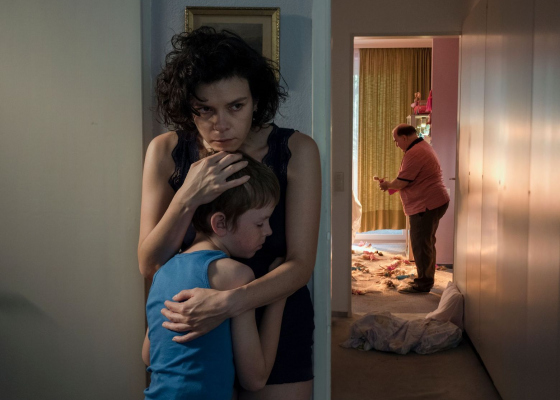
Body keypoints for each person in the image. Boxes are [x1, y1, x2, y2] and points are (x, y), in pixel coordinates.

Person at [138, 27, 320, 399]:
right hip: (192, 334)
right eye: (205, 109)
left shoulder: (297, 150)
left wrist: (227, 303)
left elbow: (301, 264)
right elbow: (149, 263)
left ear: (256, 101)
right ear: (187, 106)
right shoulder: (166, 151)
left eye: (236, 106)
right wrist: (187, 196)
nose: (220, 124)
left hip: (272, 321)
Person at [143, 155, 286, 399]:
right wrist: (278, 293)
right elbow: (255, 378)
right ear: (220, 223)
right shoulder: (236, 276)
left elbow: (148, 356)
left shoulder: (162, 272)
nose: (269, 231)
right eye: (260, 223)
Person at [377, 124, 449, 294]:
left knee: (421, 244)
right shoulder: (423, 147)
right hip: (434, 201)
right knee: (426, 242)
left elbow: (402, 182)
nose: (396, 145)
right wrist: (392, 185)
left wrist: (387, 185)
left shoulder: (415, 153)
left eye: (396, 141)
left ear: (404, 137)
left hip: (426, 204)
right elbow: (410, 179)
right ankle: (426, 278)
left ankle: (423, 284)